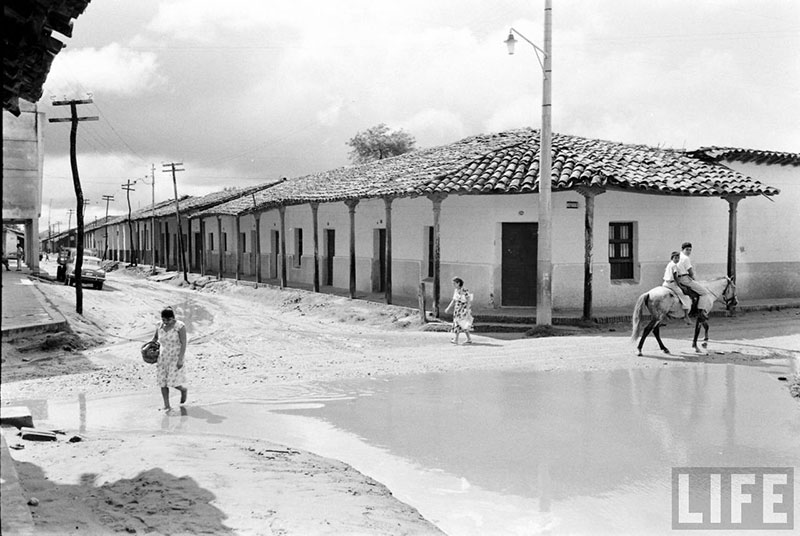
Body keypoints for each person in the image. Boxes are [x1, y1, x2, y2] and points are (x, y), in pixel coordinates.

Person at [149, 307, 188, 410]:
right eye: (163, 320)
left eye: (167, 320)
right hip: (162, 357)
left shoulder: (180, 326)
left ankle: (183, 390)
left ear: (173, 318)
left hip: (175, 356)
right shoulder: (159, 325)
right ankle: (167, 405)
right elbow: (155, 339)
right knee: (162, 382)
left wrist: (180, 359)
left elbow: (184, 343)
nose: (165, 322)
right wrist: (148, 346)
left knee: (172, 382)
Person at [675, 242, 708, 313]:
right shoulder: (686, 258)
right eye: (687, 250)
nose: (689, 252)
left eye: (690, 250)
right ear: (682, 249)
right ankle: (701, 311)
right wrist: (693, 278)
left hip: (677, 278)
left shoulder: (677, 256)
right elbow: (690, 271)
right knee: (704, 292)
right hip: (684, 279)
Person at [662, 251, 691, 324]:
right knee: (685, 296)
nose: (677, 259)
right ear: (672, 258)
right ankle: (686, 316)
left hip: (665, 283)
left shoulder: (669, 264)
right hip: (671, 284)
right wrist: (680, 286)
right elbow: (675, 277)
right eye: (675, 258)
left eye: (678, 258)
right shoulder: (674, 266)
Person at [444, 277, 473, 345]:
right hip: (457, 309)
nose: (453, 285)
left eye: (454, 283)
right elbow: (454, 300)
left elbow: (468, 300)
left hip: (462, 309)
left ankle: (456, 339)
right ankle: (468, 339)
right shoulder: (456, 290)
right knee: (462, 324)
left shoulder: (465, 290)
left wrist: (467, 309)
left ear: (458, 283)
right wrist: (448, 308)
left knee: (459, 323)